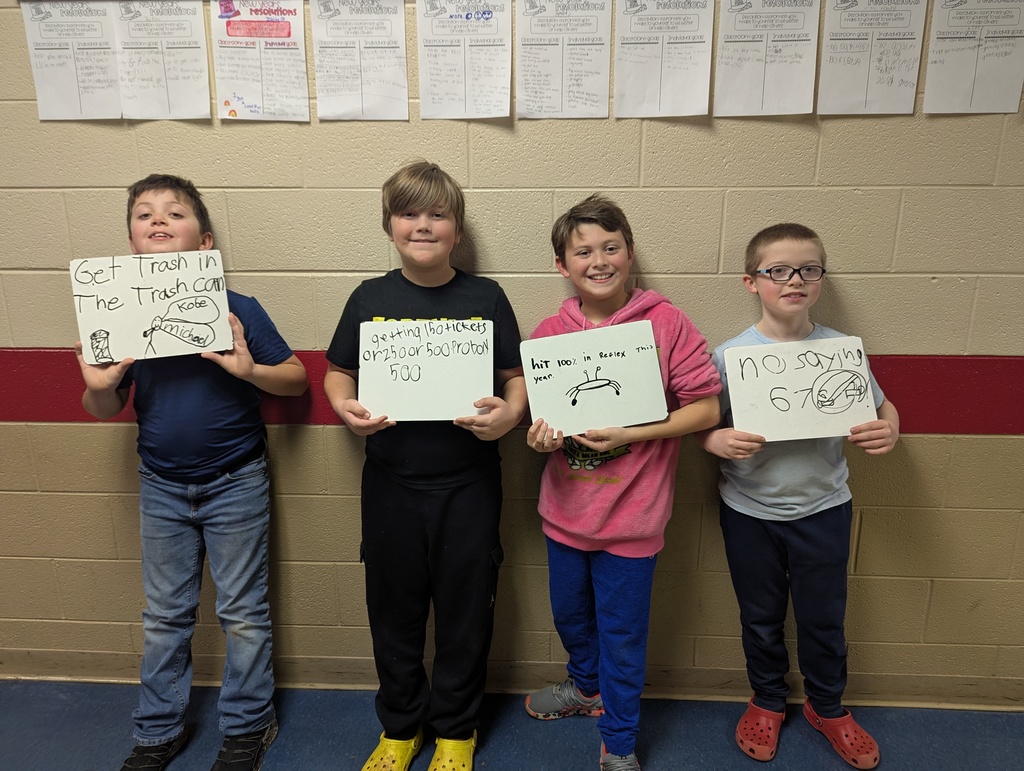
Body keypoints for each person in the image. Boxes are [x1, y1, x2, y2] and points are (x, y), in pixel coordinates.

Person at [75, 173, 308, 771]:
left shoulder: (238, 308)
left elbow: (296, 380)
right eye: (144, 214)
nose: (157, 220)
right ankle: (156, 731)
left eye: (174, 214)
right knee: (164, 617)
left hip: (236, 480)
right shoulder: (116, 313)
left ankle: (249, 725)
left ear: (204, 244)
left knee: (243, 613)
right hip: (161, 486)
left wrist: (248, 369)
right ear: (131, 243)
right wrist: (98, 387)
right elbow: (103, 405)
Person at [323, 160, 527, 771]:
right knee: (394, 610)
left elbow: (516, 381)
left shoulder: (485, 297)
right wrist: (345, 408)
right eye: (410, 213)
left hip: (469, 483)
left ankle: (457, 729)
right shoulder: (370, 296)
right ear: (389, 226)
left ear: (457, 230)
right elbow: (338, 372)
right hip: (390, 482)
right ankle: (400, 727)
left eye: (438, 214)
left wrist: (509, 417)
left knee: (466, 611)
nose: (424, 224)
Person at [523, 195, 721, 771]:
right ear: (563, 266)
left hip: (633, 521)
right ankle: (586, 688)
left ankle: (620, 742)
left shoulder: (667, 323)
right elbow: (545, 421)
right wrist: (539, 439)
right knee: (570, 617)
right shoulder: (549, 332)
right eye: (583, 251)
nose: (599, 260)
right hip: (565, 516)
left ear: (630, 253)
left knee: (623, 638)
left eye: (611, 247)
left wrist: (641, 428)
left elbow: (706, 410)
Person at [697, 223, 899, 769]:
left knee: (824, 617)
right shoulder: (730, 356)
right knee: (760, 616)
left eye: (809, 269)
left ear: (821, 280)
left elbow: (882, 409)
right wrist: (715, 439)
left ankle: (827, 706)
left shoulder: (840, 350)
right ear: (751, 282)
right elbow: (703, 425)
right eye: (778, 270)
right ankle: (766, 699)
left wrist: (890, 429)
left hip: (824, 509)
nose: (795, 280)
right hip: (749, 512)